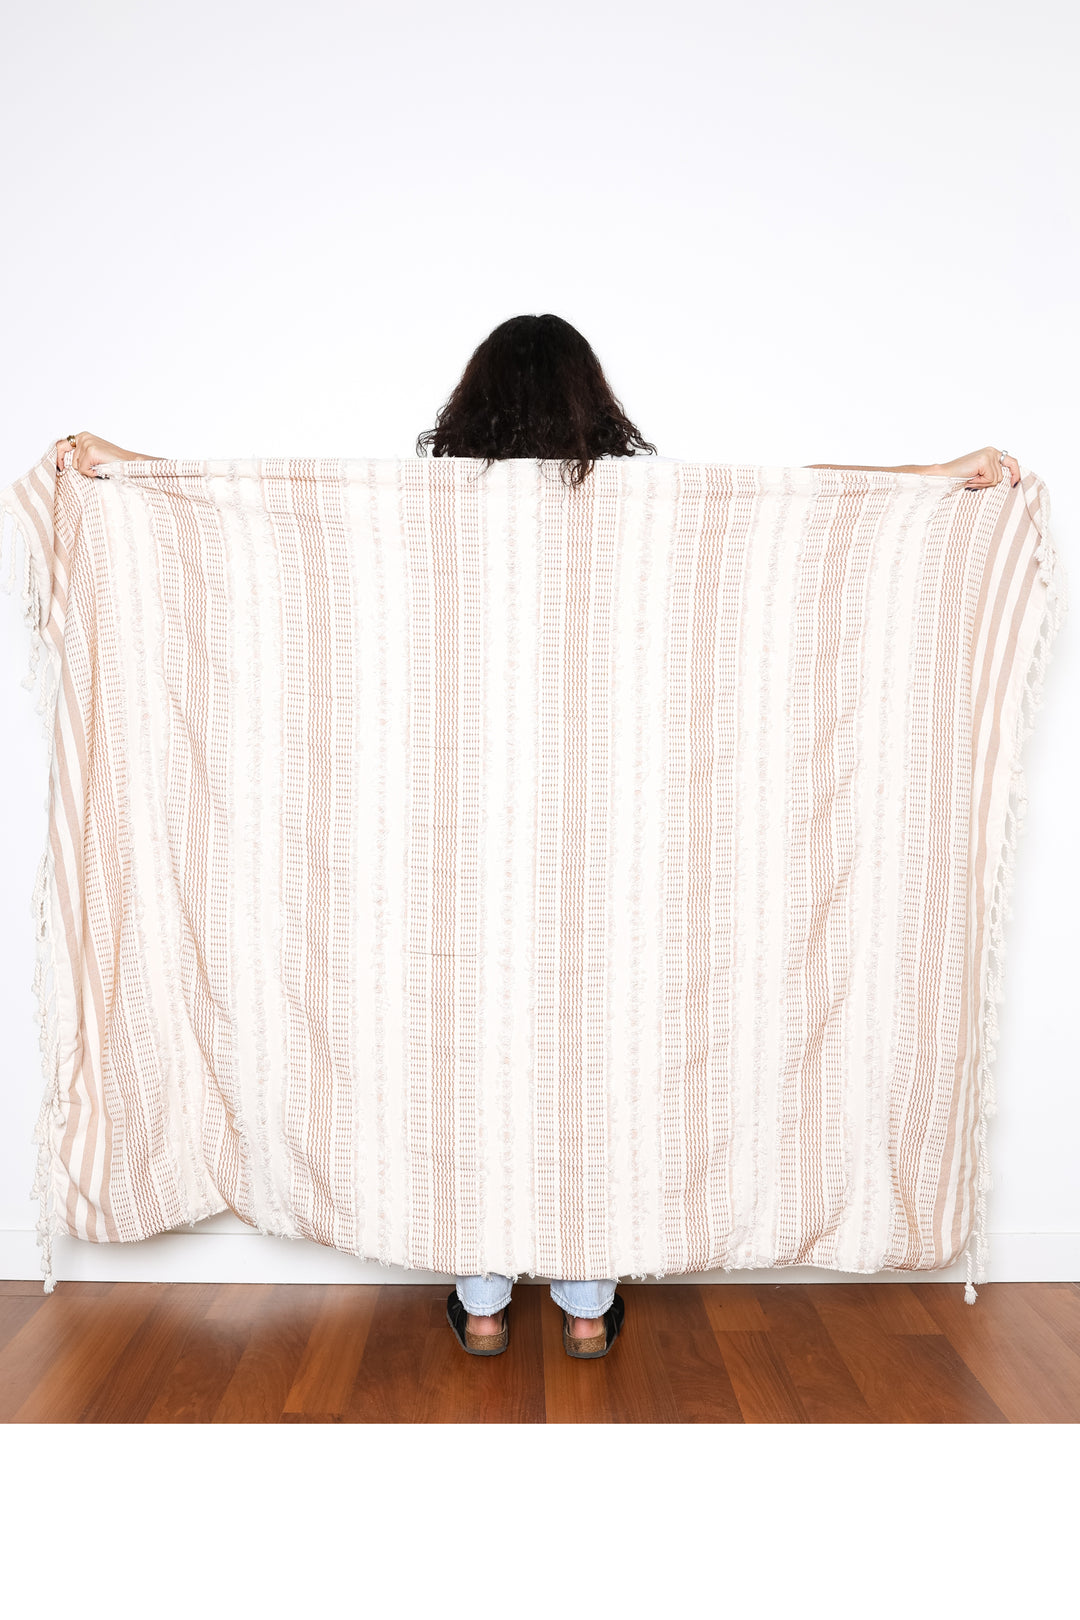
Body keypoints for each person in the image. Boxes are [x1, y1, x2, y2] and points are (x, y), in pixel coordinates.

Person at [56, 313, 1022, 1361]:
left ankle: (479, 1302)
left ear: (470, 400)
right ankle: (589, 1305)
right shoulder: (650, 510)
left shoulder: (418, 513)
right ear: (591, 400)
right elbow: (815, 501)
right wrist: (941, 474)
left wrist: (123, 470)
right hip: (615, 868)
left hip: (447, 862)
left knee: (460, 1059)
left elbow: (240, 505)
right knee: (593, 1062)